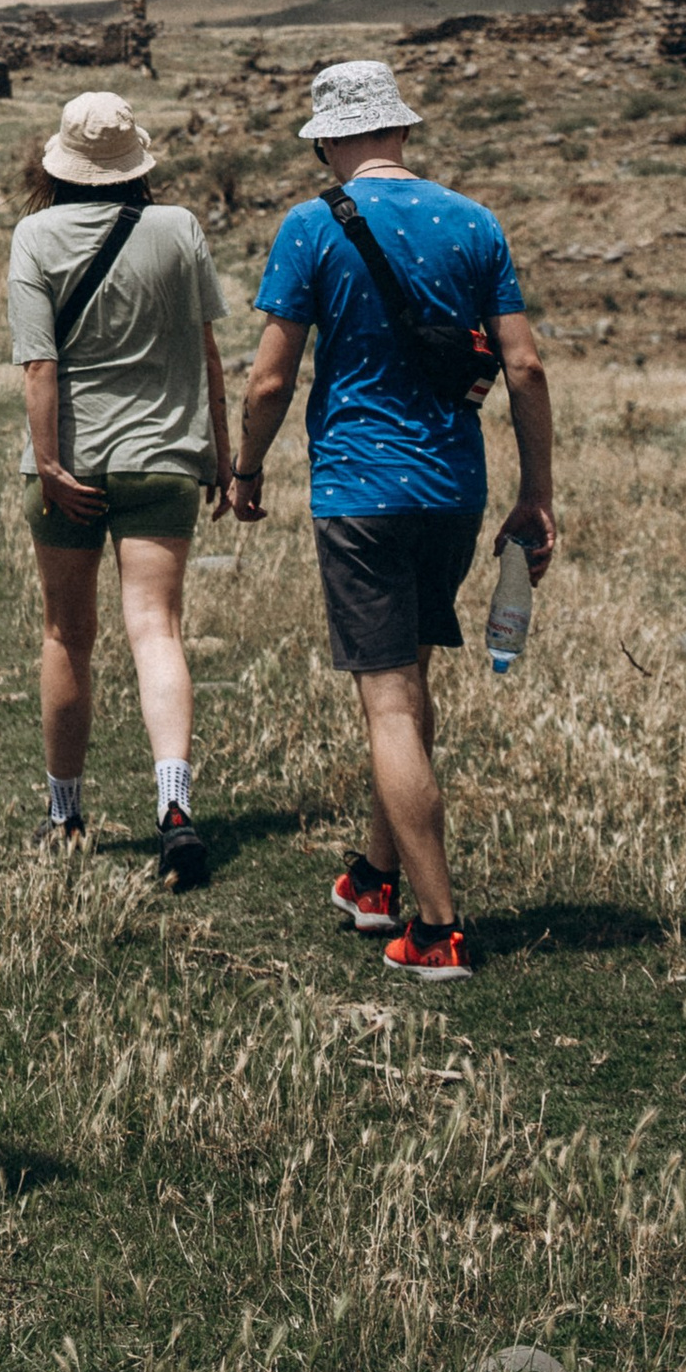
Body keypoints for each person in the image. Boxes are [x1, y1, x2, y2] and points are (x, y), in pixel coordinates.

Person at [231, 58, 556, 982]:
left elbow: (269, 379)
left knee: (386, 704)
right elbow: (525, 367)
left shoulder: (310, 226)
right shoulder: (475, 221)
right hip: (454, 490)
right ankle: (375, 879)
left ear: (328, 142)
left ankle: (439, 928)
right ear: (401, 129)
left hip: (360, 491)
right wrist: (537, 494)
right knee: (409, 685)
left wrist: (246, 468)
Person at [10, 90, 231, 891]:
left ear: (61, 164)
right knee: (156, 629)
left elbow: (40, 365)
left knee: (67, 635)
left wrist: (49, 464)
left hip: (71, 462)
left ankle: (65, 813)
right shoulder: (178, 228)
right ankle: (174, 805)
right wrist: (224, 455)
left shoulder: (35, 235)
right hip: (165, 455)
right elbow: (208, 352)